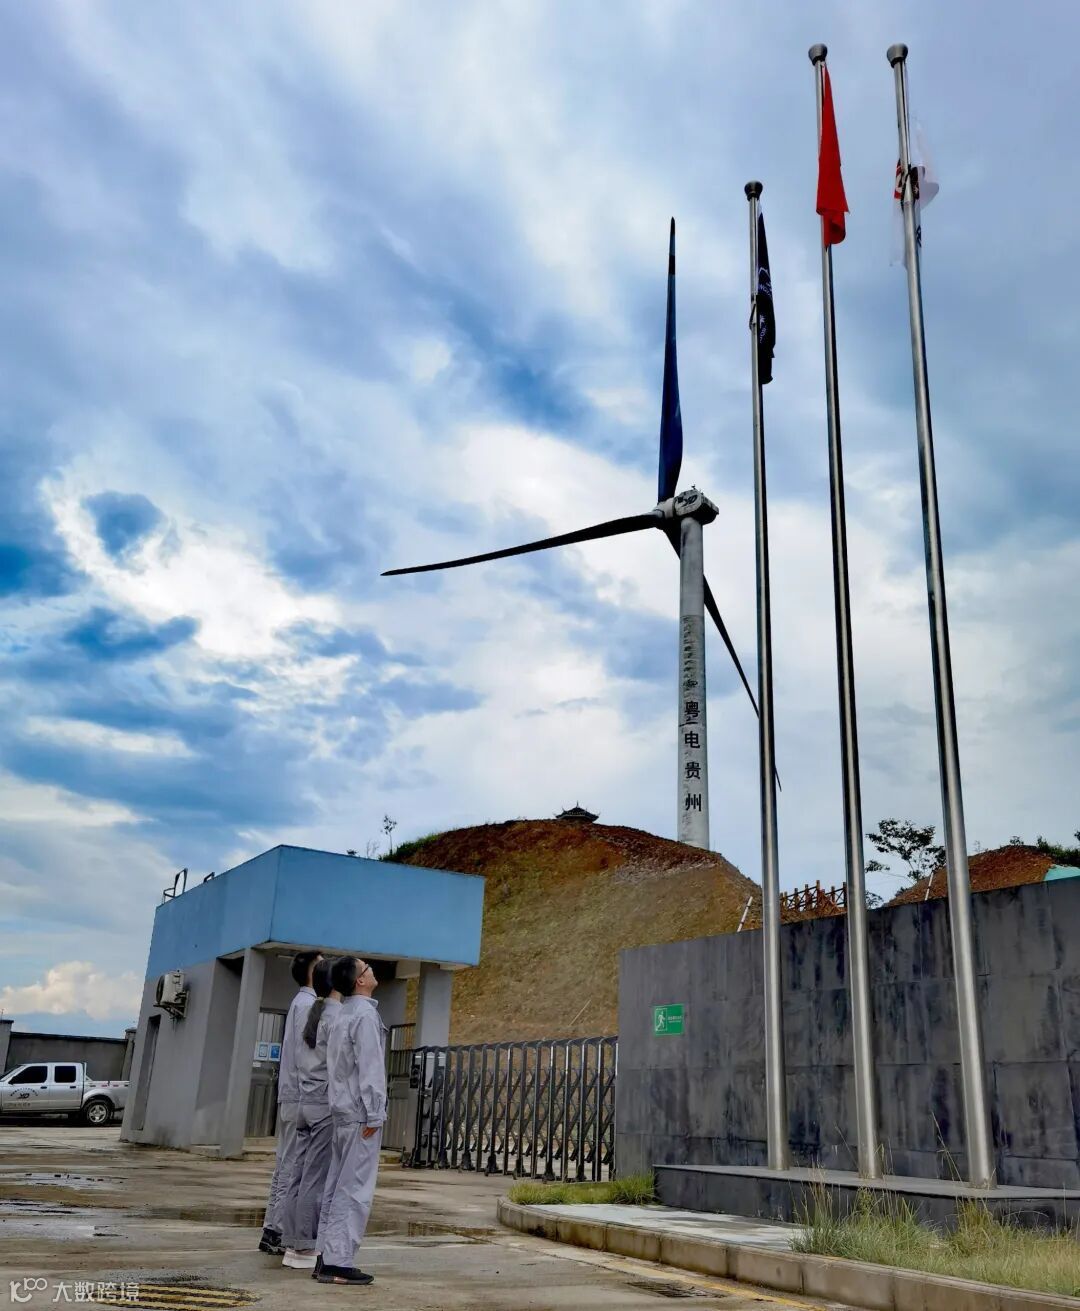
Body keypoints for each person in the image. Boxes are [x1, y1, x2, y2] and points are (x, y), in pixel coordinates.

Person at [314, 955, 387, 1286]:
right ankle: (338, 1260)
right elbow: (370, 1067)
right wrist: (375, 1111)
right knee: (355, 1187)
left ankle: (325, 1254)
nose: (371, 971)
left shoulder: (341, 1014)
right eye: (366, 968)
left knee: (336, 1185)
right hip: (360, 1113)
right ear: (360, 980)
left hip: (343, 1111)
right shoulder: (365, 1016)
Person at [258, 949, 323, 1255]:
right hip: (299, 1095)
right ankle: (277, 1230)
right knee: (292, 1165)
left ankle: (272, 1228)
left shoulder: (300, 1002)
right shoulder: (308, 1005)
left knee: (285, 1163)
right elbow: (306, 1054)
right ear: (311, 973)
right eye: (321, 966)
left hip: (292, 1094)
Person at [279, 958, 339, 1269]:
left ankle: (290, 1243)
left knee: (298, 1175)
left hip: (304, 1101)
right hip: (323, 1104)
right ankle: (304, 1247)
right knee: (314, 1178)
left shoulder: (312, 1012)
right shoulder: (335, 1016)